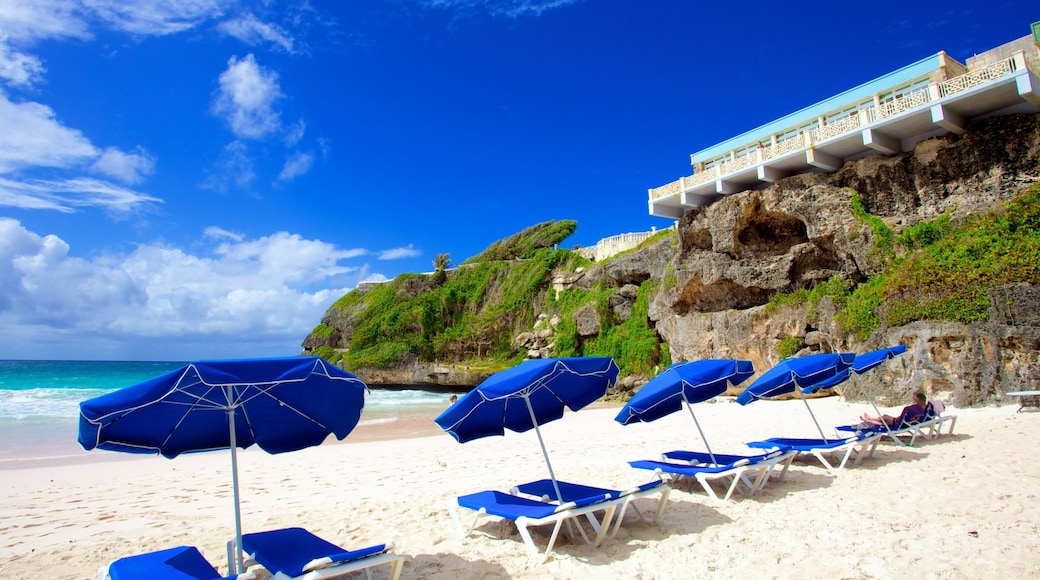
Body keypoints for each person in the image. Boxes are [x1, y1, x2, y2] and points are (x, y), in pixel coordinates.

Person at [860, 391, 927, 427]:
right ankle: (870, 420)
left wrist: (899, 419)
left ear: (919, 399)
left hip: (902, 423)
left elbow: (916, 417)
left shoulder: (917, 407)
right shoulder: (924, 406)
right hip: (906, 422)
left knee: (885, 416)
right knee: (884, 421)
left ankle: (871, 419)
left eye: (915, 399)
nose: (914, 400)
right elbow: (916, 417)